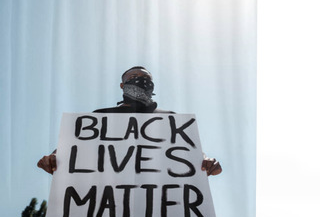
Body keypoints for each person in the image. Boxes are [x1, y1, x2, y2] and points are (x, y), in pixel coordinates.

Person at [37, 66, 222, 177]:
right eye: (134, 78)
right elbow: (74, 146)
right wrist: (54, 158)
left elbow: (187, 149)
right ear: (122, 85)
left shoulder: (169, 117)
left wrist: (205, 161)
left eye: (146, 79)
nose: (140, 81)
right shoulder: (101, 116)